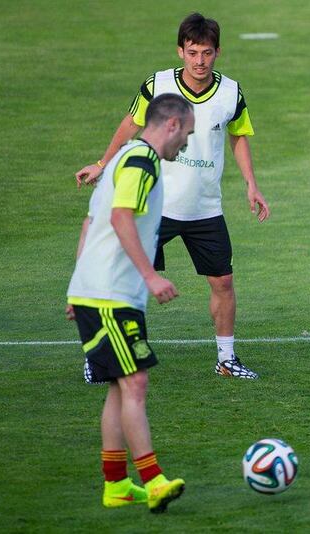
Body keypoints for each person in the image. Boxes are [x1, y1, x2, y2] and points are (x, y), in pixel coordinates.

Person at [75, 12, 269, 379]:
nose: (200, 61)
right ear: (180, 51)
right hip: (154, 206)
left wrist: (251, 184)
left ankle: (226, 359)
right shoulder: (158, 84)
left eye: (207, 53)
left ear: (218, 52)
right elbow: (131, 123)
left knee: (223, 282)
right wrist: (103, 163)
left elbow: (239, 135)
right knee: (122, 276)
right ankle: (101, 356)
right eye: (193, 52)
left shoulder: (231, 92)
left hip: (205, 208)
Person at [67, 93, 194, 511]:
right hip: (110, 292)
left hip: (102, 290)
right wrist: (151, 275)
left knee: (122, 389)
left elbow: (91, 219)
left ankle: (117, 485)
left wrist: (76, 282)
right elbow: (120, 217)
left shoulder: (127, 157)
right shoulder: (141, 162)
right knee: (135, 383)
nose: (187, 144)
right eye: (187, 134)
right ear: (171, 125)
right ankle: (153, 480)